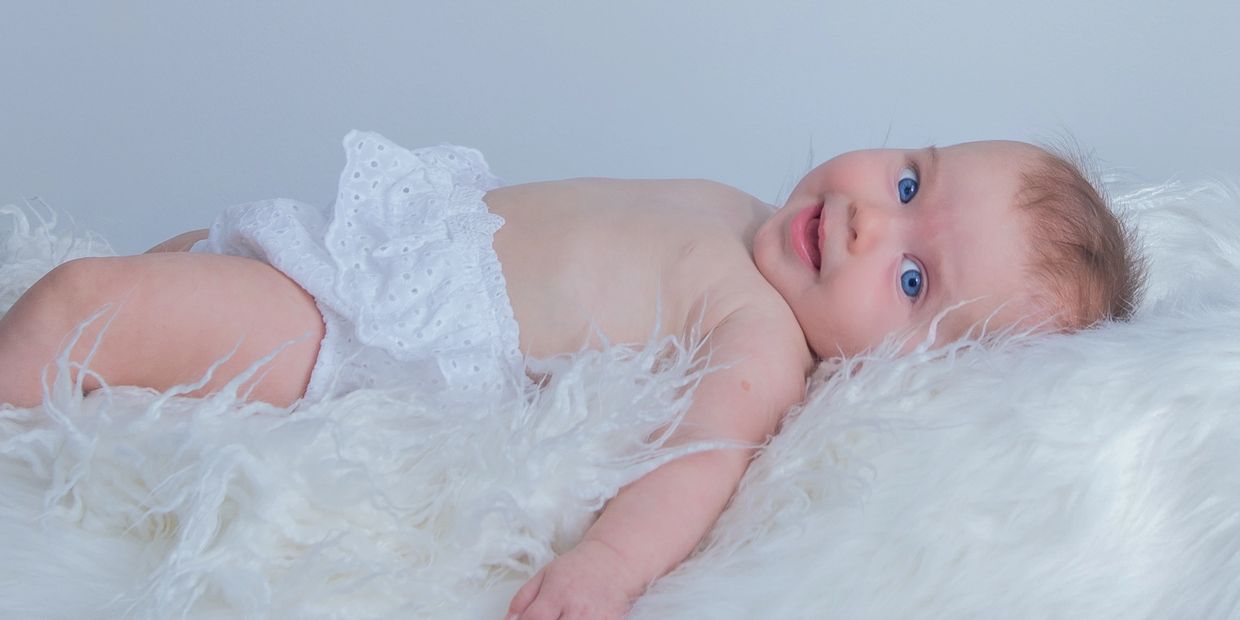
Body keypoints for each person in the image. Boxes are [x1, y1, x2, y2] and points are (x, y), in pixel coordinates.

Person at [0, 131, 1140, 619]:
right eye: (905, 181)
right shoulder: (741, 212)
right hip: (349, 249)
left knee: (84, 310)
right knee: (128, 280)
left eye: (909, 281)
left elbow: (702, 459)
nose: (858, 219)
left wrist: (601, 564)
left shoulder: (760, 336)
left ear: (916, 375)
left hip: (358, 335)